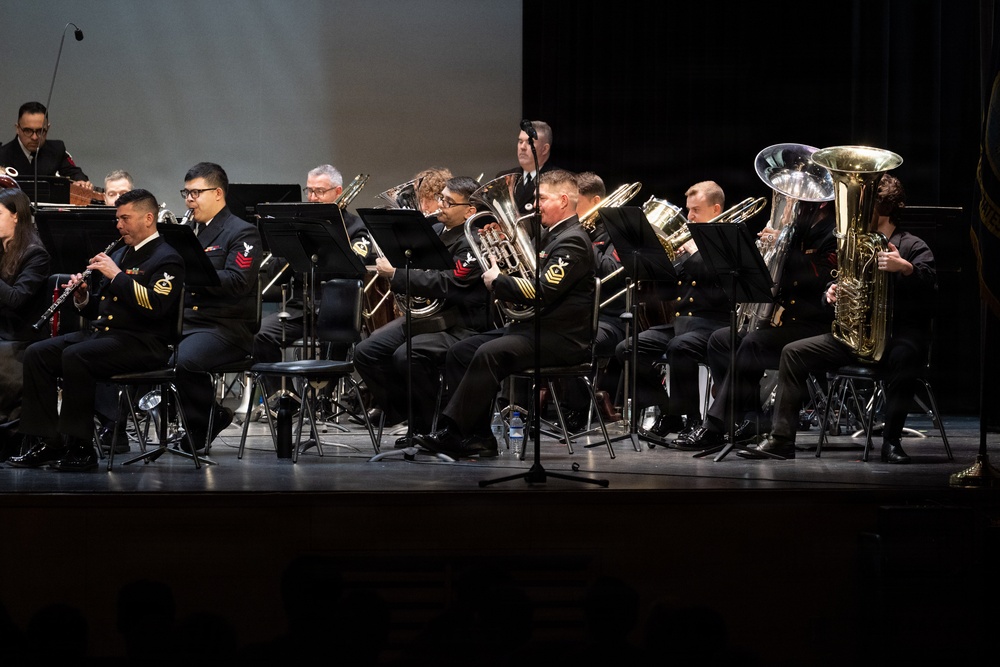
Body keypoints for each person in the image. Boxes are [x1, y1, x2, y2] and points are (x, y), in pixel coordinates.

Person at [739, 174, 935, 463]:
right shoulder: (854, 249)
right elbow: (832, 289)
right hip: (855, 337)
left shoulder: (912, 245)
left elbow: (930, 286)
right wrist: (830, 294)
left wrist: (905, 268)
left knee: (905, 357)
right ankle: (781, 439)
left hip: (895, 337)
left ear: (882, 209)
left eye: (864, 208)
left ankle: (891, 442)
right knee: (793, 353)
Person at [416, 169, 595, 458]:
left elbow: (543, 290)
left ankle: (452, 431)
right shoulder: (551, 236)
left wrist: (500, 281)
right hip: (535, 329)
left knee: (490, 352)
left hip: (562, 338)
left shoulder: (572, 240)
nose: (533, 205)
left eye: (541, 199)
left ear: (563, 201)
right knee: (461, 351)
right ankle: (478, 437)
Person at [8, 189, 185, 471]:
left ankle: (81, 447)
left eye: (125, 218)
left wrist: (115, 275)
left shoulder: (168, 258)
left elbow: (155, 306)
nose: (118, 225)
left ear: (148, 218)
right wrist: (82, 298)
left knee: (77, 356)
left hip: (143, 343)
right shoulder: (122, 252)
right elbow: (102, 309)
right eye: (118, 219)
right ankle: (48, 442)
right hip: (106, 336)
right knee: (37, 353)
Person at [675, 197, 838, 450]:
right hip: (784, 320)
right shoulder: (798, 228)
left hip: (812, 322)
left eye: (802, 197)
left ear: (822, 203)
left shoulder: (833, 231)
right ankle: (751, 419)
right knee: (721, 340)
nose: (795, 201)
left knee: (752, 344)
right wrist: (764, 251)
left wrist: (783, 247)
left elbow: (819, 278)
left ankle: (716, 424)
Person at [353, 176, 491, 445]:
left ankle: (431, 426)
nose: (441, 206)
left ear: (470, 210)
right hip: (429, 317)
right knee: (367, 352)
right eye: (441, 198)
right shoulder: (436, 231)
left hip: (460, 324)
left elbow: (450, 282)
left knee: (407, 356)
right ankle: (409, 414)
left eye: (449, 202)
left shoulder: (475, 241)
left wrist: (398, 274)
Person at [613, 181, 728, 442]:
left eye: (696, 210)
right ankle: (669, 411)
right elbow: (668, 295)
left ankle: (693, 421)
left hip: (712, 324)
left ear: (716, 209)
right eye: (688, 210)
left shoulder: (725, 240)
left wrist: (694, 253)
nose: (689, 218)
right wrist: (655, 266)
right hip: (681, 325)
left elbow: (720, 288)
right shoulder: (689, 243)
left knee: (680, 346)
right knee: (627, 348)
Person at [252, 164, 374, 403]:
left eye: (319, 191)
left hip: (338, 308)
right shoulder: (298, 225)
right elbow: (278, 273)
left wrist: (330, 238)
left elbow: (356, 267)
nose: (312, 197)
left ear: (338, 192)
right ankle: (285, 398)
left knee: (335, 337)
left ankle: (322, 401)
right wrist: (290, 246)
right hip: (301, 307)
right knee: (260, 334)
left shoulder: (356, 228)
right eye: (309, 191)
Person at [174, 162, 262, 452]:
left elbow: (238, 281)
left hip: (226, 327)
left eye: (196, 193)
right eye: (186, 193)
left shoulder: (242, 232)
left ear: (218, 194)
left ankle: (207, 419)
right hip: (188, 323)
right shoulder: (190, 232)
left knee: (183, 361)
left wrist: (192, 274)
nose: (189, 200)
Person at [556, 171, 627, 428]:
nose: (572, 210)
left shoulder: (618, 229)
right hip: (577, 312)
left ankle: (577, 408)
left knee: (580, 339)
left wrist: (582, 241)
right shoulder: (577, 230)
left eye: (577, 203)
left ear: (596, 200)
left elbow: (611, 270)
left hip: (611, 318)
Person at [0, 188, 51, 458]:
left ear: (16, 217)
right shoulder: (1, 248)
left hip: (21, 337)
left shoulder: (36, 254)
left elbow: (17, 299)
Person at [0, 101, 91, 188]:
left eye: (41, 131)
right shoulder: (2, 155)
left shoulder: (56, 149)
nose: (35, 137)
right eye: (28, 131)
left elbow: (75, 173)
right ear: (17, 128)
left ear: (48, 128)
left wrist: (81, 182)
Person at [496, 120, 555, 215]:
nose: (522, 147)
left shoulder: (561, 179)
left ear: (545, 149)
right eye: (520, 141)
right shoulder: (504, 177)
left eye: (529, 142)